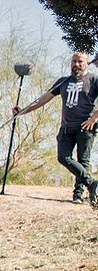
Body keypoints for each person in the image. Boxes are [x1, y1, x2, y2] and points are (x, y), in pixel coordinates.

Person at [13, 52, 98, 204]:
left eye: (80, 61)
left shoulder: (93, 79)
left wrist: (94, 118)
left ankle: (78, 194)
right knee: (63, 157)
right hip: (66, 127)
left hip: (85, 126)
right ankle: (92, 183)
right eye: (74, 61)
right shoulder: (63, 82)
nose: (76, 64)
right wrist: (23, 111)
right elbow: (43, 99)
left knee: (82, 160)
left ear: (86, 63)